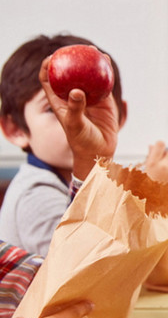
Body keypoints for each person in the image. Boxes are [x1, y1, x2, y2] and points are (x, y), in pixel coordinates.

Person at [0, 34, 127, 256]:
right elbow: (78, 269)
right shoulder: (36, 193)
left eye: (94, 103)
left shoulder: (94, 181)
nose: (78, 120)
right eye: (52, 109)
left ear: (120, 116)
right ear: (15, 130)